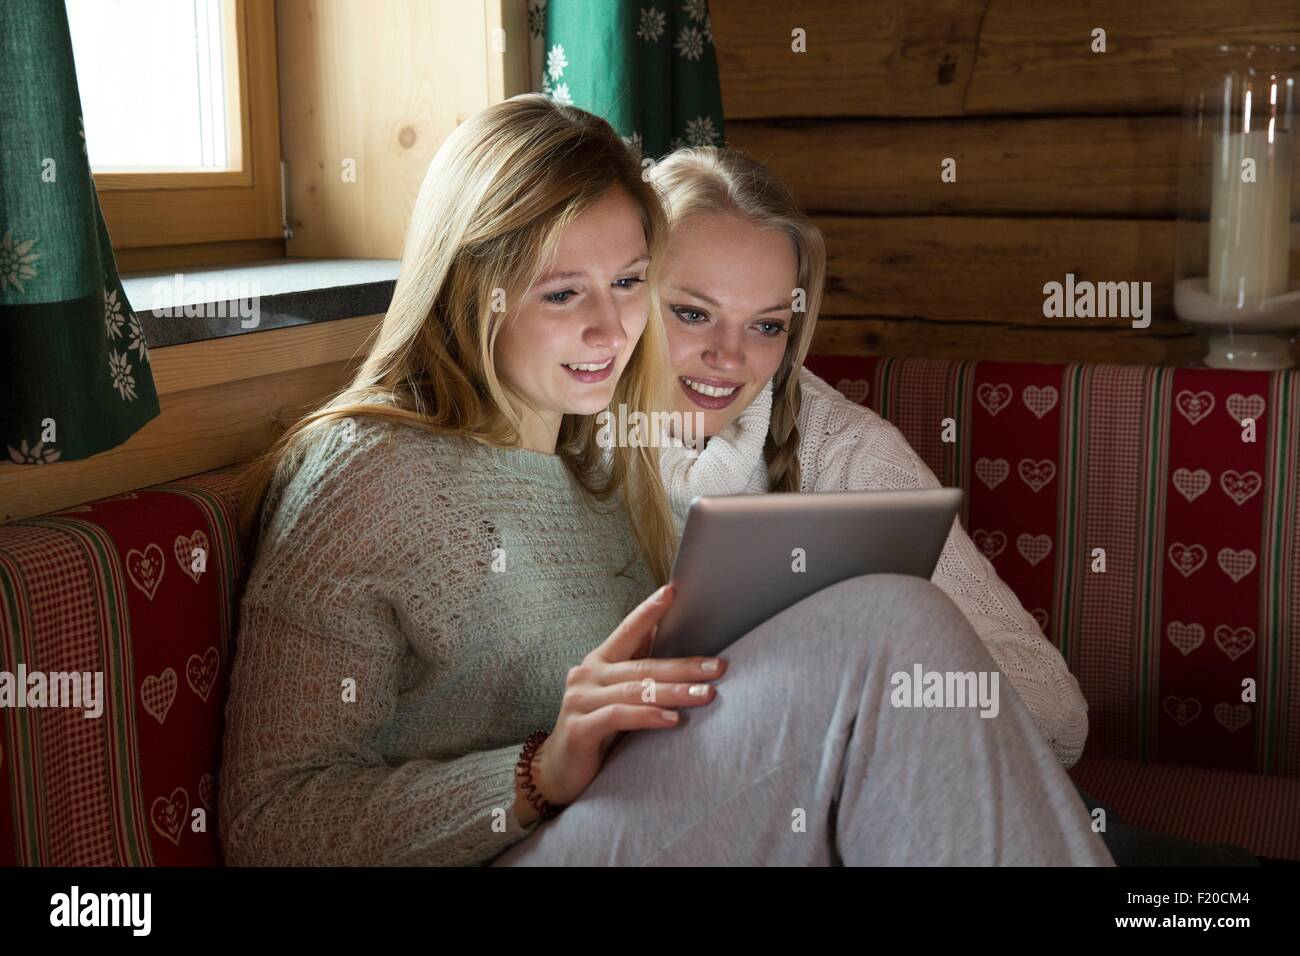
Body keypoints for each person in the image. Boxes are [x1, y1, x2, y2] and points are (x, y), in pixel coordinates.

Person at [220, 95, 1112, 867]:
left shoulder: (601, 460)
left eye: (630, 283)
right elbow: (267, 826)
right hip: (518, 845)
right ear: (473, 286)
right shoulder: (364, 475)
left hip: (631, 821)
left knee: (893, 657)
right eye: (563, 293)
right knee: (893, 622)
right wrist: (534, 773)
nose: (613, 330)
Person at [644, 144, 1257, 867]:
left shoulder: (844, 450)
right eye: (692, 313)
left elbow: (1057, 718)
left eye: (767, 325)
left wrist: (858, 680)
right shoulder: (558, 445)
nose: (731, 356)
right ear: (624, 294)